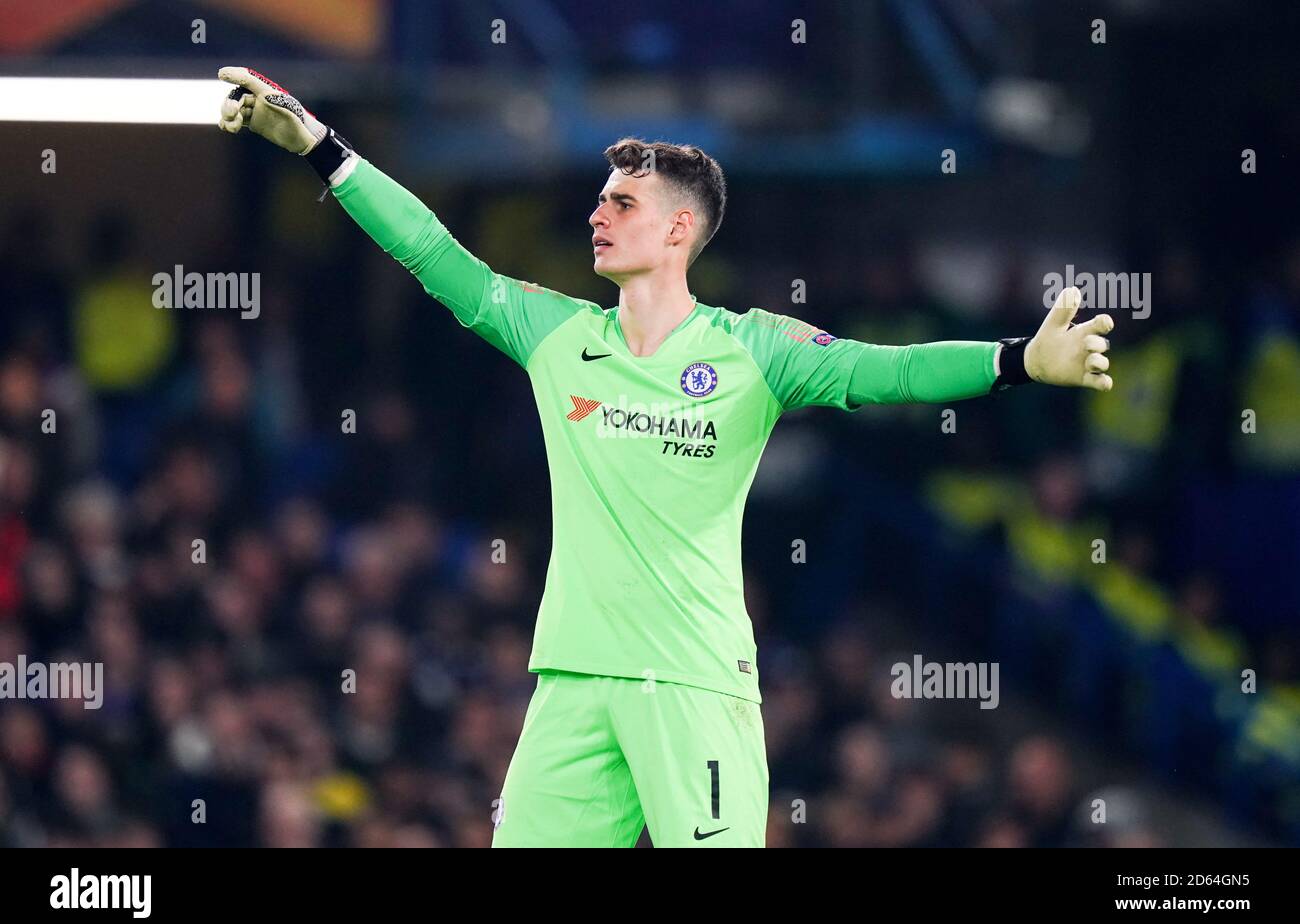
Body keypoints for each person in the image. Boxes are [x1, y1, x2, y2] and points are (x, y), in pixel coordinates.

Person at [217, 66, 1115, 847]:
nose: (597, 214)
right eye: (601, 197)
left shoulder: (753, 348)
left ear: (680, 229)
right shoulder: (557, 334)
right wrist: (320, 148)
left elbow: (888, 371)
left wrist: (1018, 361)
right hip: (571, 679)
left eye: (622, 202)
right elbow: (431, 254)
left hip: (691, 682)